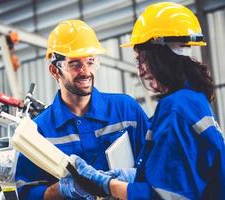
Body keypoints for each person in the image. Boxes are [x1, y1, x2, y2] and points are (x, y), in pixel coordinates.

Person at [59, 2, 225, 200]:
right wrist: (135, 177)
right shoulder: (194, 100)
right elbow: (179, 174)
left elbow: (163, 196)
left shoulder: (175, 110)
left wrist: (106, 184)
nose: (141, 70)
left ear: (156, 56)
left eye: (140, 60)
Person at [15, 19, 149, 199]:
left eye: (90, 61)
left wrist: (133, 175)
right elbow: (26, 193)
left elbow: (157, 165)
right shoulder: (39, 131)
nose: (86, 71)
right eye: (75, 64)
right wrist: (61, 190)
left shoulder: (126, 110)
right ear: (55, 71)